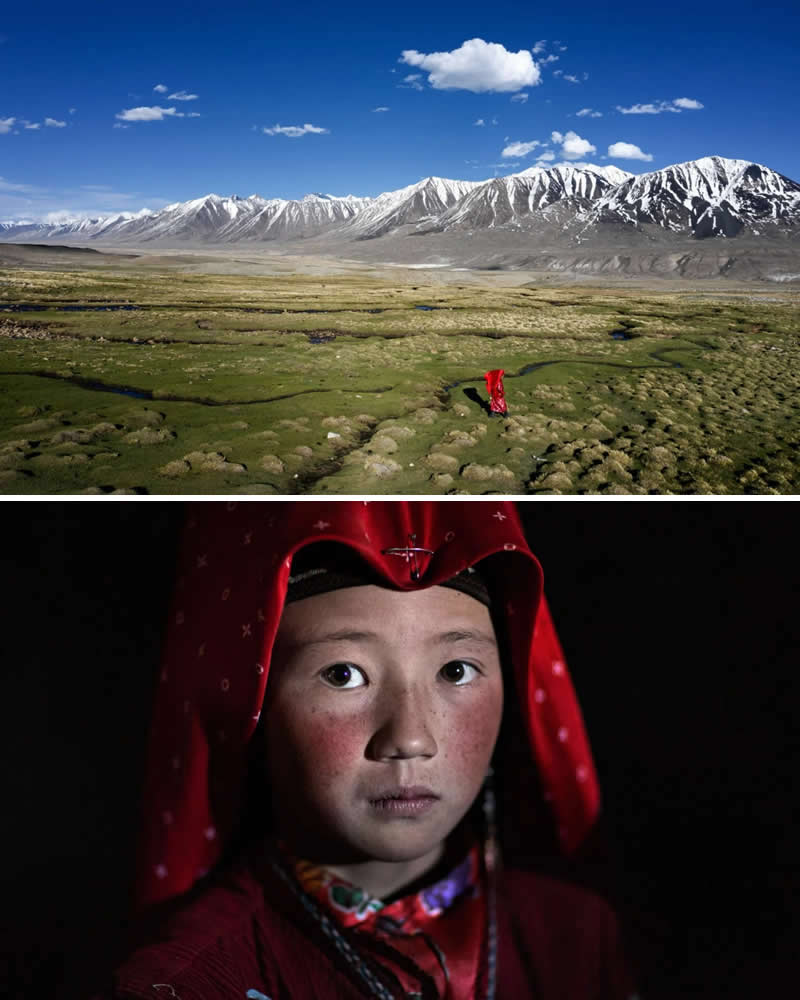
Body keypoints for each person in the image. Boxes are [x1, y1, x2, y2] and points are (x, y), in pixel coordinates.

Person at [96, 501, 637, 999]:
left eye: (455, 670)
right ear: (249, 700)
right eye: (343, 674)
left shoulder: (580, 939)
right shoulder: (190, 981)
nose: (409, 738)